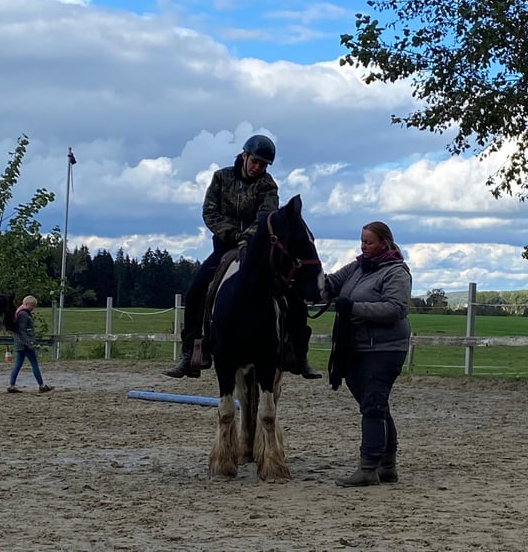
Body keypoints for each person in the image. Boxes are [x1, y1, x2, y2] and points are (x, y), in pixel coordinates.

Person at [162, 134, 321, 379]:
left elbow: (266, 216)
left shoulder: (268, 185)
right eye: (255, 161)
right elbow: (210, 212)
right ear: (244, 155)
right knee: (195, 291)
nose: (257, 167)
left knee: (293, 294)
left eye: (263, 164)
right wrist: (235, 235)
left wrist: (249, 237)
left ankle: (298, 352)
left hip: (257, 249)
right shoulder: (220, 178)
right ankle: (192, 350)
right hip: (224, 247)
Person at [324, 221, 412, 487]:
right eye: (362, 241)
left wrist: (352, 308)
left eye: (369, 242)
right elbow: (331, 283)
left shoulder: (396, 273)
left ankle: (368, 467)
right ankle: (387, 466)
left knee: (373, 405)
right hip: (356, 348)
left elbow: (395, 309)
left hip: (385, 349)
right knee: (376, 406)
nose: (363, 246)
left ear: (384, 243)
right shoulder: (357, 267)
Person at [7, 295, 54, 393]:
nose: (33, 308)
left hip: (20, 343)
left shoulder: (20, 313)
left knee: (18, 364)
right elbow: (22, 330)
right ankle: (41, 385)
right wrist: (29, 343)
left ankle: (11, 385)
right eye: (32, 305)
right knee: (34, 363)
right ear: (27, 304)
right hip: (26, 344)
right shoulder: (23, 314)